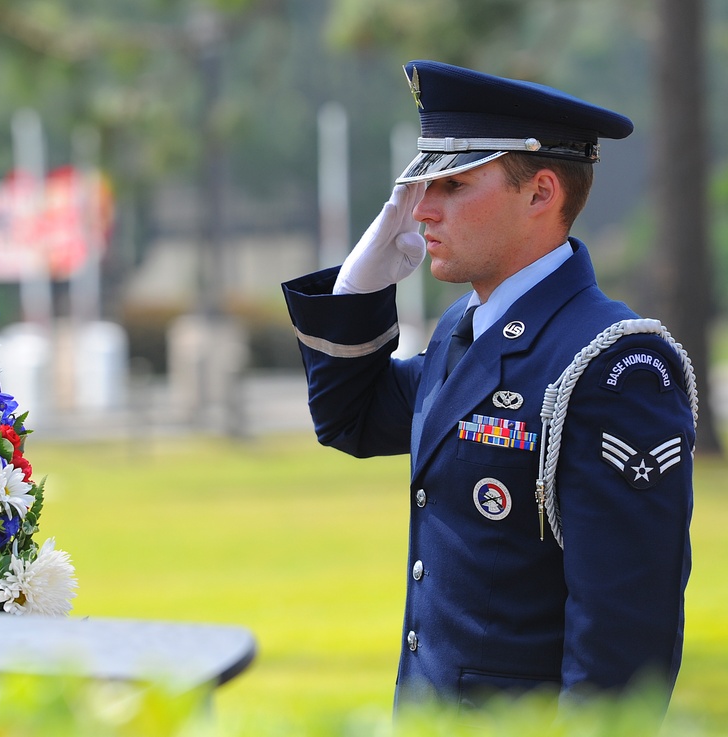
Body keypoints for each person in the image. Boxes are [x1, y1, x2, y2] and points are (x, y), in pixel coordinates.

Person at [282, 60, 696, 713]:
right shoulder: (464, 330)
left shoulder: (616, 366)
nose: (421, 209)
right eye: (424, 184)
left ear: (540, 193)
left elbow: (622, 645)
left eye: (453, 185)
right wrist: (356, 292)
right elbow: (350, 418)